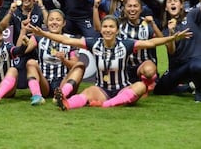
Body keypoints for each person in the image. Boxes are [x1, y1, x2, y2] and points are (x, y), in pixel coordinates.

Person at [29, 15, 191, 110]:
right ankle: (66, 104)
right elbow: (65, 39)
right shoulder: (94, 43)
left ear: (116, 30)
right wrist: (44, 33)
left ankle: (107, 104)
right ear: (101, 29)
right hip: (102, 89)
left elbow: (151, 43)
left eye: (111, 27)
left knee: (141, 86)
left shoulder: (126, 44)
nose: (107, 30)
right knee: (87, 92)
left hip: (122, 89)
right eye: (105, 26)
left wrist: (173, 37)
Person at [23, 10, 85, 105]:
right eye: (51, 19)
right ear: (47, 22)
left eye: (58, 20)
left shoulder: (71, 39)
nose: (54, 22)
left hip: (63, 82)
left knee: (80, 65)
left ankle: (61, 96)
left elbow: (74, 65)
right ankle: (37, 96)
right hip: (45, 83)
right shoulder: (38, 37)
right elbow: (21, 51)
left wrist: (64, 60)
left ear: (64, 23)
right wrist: (23, 32)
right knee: (31, 62)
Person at [154, 0, 201, 102]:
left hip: (196, 62)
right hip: (179, 68)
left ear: (181, 5)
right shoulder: (166, 29)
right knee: (160, 89)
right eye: (169, 1)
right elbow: (171, 51)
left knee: (195, 66)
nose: (172, 3)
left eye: (175, 0)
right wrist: (171, 33)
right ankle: (189, 87)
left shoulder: (192, 15)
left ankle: (199, 92)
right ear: (166, 7)